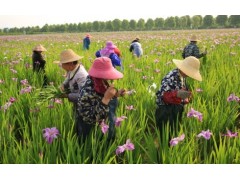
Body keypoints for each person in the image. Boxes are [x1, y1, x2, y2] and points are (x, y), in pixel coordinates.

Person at [76, 57, 125, 141]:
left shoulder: (100, 81)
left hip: (106, 124)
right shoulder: (86, 93)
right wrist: (106, 99)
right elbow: (90, 119)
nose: (109, 78)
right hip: (93, 134)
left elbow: (102, 95)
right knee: (97, 148)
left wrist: (116, 94)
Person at [155, 56, 202, 135]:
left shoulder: (182, 76)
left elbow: (181, 89)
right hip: (165, 110)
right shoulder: (170, 77)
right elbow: (163, 96)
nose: (189, 75)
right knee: (167, 134)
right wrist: (177, 94)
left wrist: (185, 97)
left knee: (175, 130)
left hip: (175, 107)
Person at [95, 41, 123, 141]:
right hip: (107, 70)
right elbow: (118, 63)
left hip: (102, 70)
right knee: (109, 118)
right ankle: (108, 139)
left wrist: (116, 93)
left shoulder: (100, 52)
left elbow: (96, 54)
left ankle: (106, 137)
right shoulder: (112, 54)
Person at [54, 49, 88, 114]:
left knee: (80, 120)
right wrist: (63, 85)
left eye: (62, 64)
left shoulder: (81, 75)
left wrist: (66, 96)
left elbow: (84, 96)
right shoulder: (72, 69)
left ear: (70, 63)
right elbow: (68, 78)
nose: (61, 66)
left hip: (84, 106)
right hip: (76, 101)